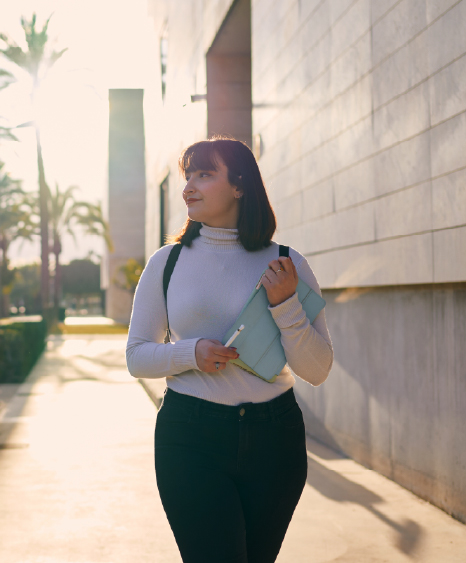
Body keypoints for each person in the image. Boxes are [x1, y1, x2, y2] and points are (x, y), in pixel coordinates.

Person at [126, 136, 334, 563]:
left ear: (239, 185)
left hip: (275, 440)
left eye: (205, 174)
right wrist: (191, 353)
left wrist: (286, 305)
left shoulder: (285, 262)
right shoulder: (166, 262)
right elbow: (136, 355)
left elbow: (317, 369)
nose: (188, 187)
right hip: (190, 437)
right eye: (188, 175)